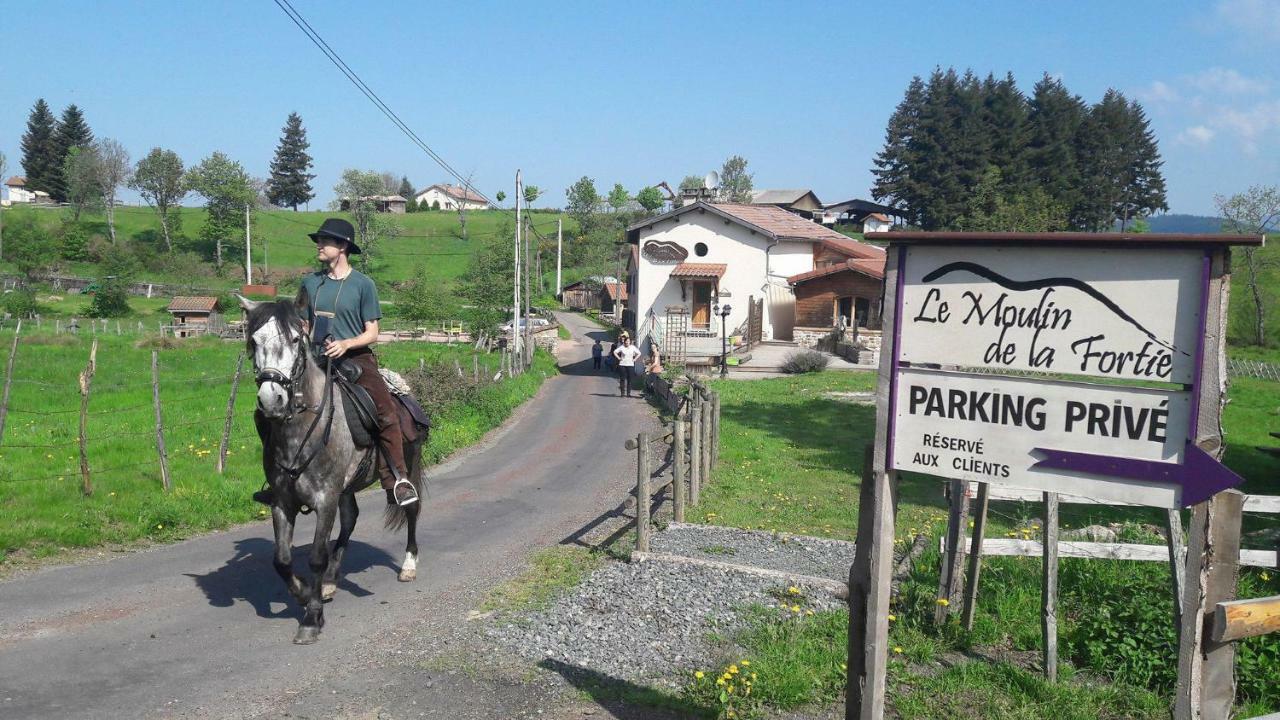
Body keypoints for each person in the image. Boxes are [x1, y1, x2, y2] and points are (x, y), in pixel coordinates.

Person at [300, 218, 417, 507]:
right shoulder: (310, 283)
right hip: (315, 359)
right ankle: (280, 479)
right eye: (319, 240)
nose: (319, 245)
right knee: (275, 407)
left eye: (325, 241)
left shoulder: (363, 284)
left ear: (342, 247)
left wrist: (345, 344)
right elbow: (303, 324)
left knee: (386, 412)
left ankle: (397, 480)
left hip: (356, 360)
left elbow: (372, 332)